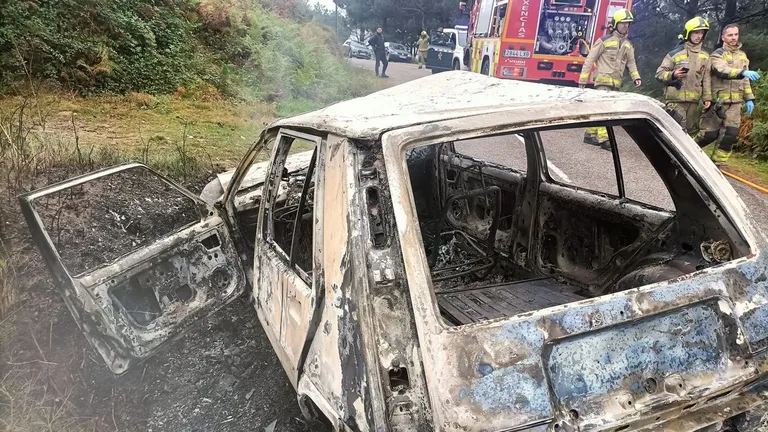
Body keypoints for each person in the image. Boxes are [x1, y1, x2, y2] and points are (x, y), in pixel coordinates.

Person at [578, 8, 642, 149]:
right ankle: (604, 139)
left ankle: (590, 134)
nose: (625, 26)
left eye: (627, 23)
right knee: (604, 109)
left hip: (616, 82)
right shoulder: (603, 41)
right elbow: (590, 59)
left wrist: (636, 77)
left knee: (599, 108)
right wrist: (583, 79)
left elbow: (631, 63)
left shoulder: (628, 45)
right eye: (622, 23)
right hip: (602, 80)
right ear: (615, 24)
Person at [696, 24, 760, 164]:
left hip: (736, 103)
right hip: (718, 103)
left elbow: (745, 80)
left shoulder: (742, 55)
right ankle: (686, 154)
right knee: (708, 135)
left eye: (736, 34)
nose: (733, 38)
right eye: (730, 35)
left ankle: (717, 165)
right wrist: (742, 72)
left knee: (730, 135)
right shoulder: (717, 55)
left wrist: (749, 98)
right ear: (723, 37)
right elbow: (722, 70)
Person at [655, 17, 712, 134]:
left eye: (702, 33)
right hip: (676, 101)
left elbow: (706, 78)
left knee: (688, 133)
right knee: (676, 132)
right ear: (688, 33)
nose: (699, 36)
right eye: (696, 32)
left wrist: (707, 98)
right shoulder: (675, 54)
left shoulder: (706, 56)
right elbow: (659, 74)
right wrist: (673, 74)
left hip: (693, 102)